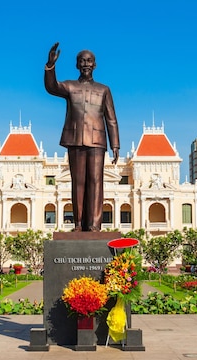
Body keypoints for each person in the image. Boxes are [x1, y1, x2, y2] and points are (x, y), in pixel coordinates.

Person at [44, 42, 120, 232]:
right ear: (77, 65)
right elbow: (52, 87)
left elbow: (111, 119)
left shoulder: (104, 90)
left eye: (89, 61)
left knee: (96, 181)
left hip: (97, 141)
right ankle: (78, 224)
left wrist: (115, 145)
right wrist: (50, 66)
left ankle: (94, 225)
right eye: (82, 61)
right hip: (75, 139)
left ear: (95, 65)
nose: (86, 64)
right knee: (78, 182)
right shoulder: (70, 86)